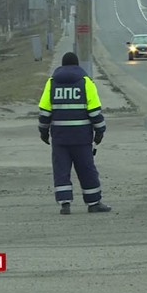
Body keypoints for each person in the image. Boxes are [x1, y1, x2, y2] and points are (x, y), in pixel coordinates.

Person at [38, 52, 112, 215]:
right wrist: (100, 131)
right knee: (87, 169)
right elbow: (94, 112)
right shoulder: (86, 83)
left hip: (60, 138)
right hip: (81, 137)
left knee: (61, 170)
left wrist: (43, 131)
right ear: (78, 65)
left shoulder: (51, 83)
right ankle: (93, 203)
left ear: (62, 66)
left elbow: (45, 112)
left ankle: (65, 204)